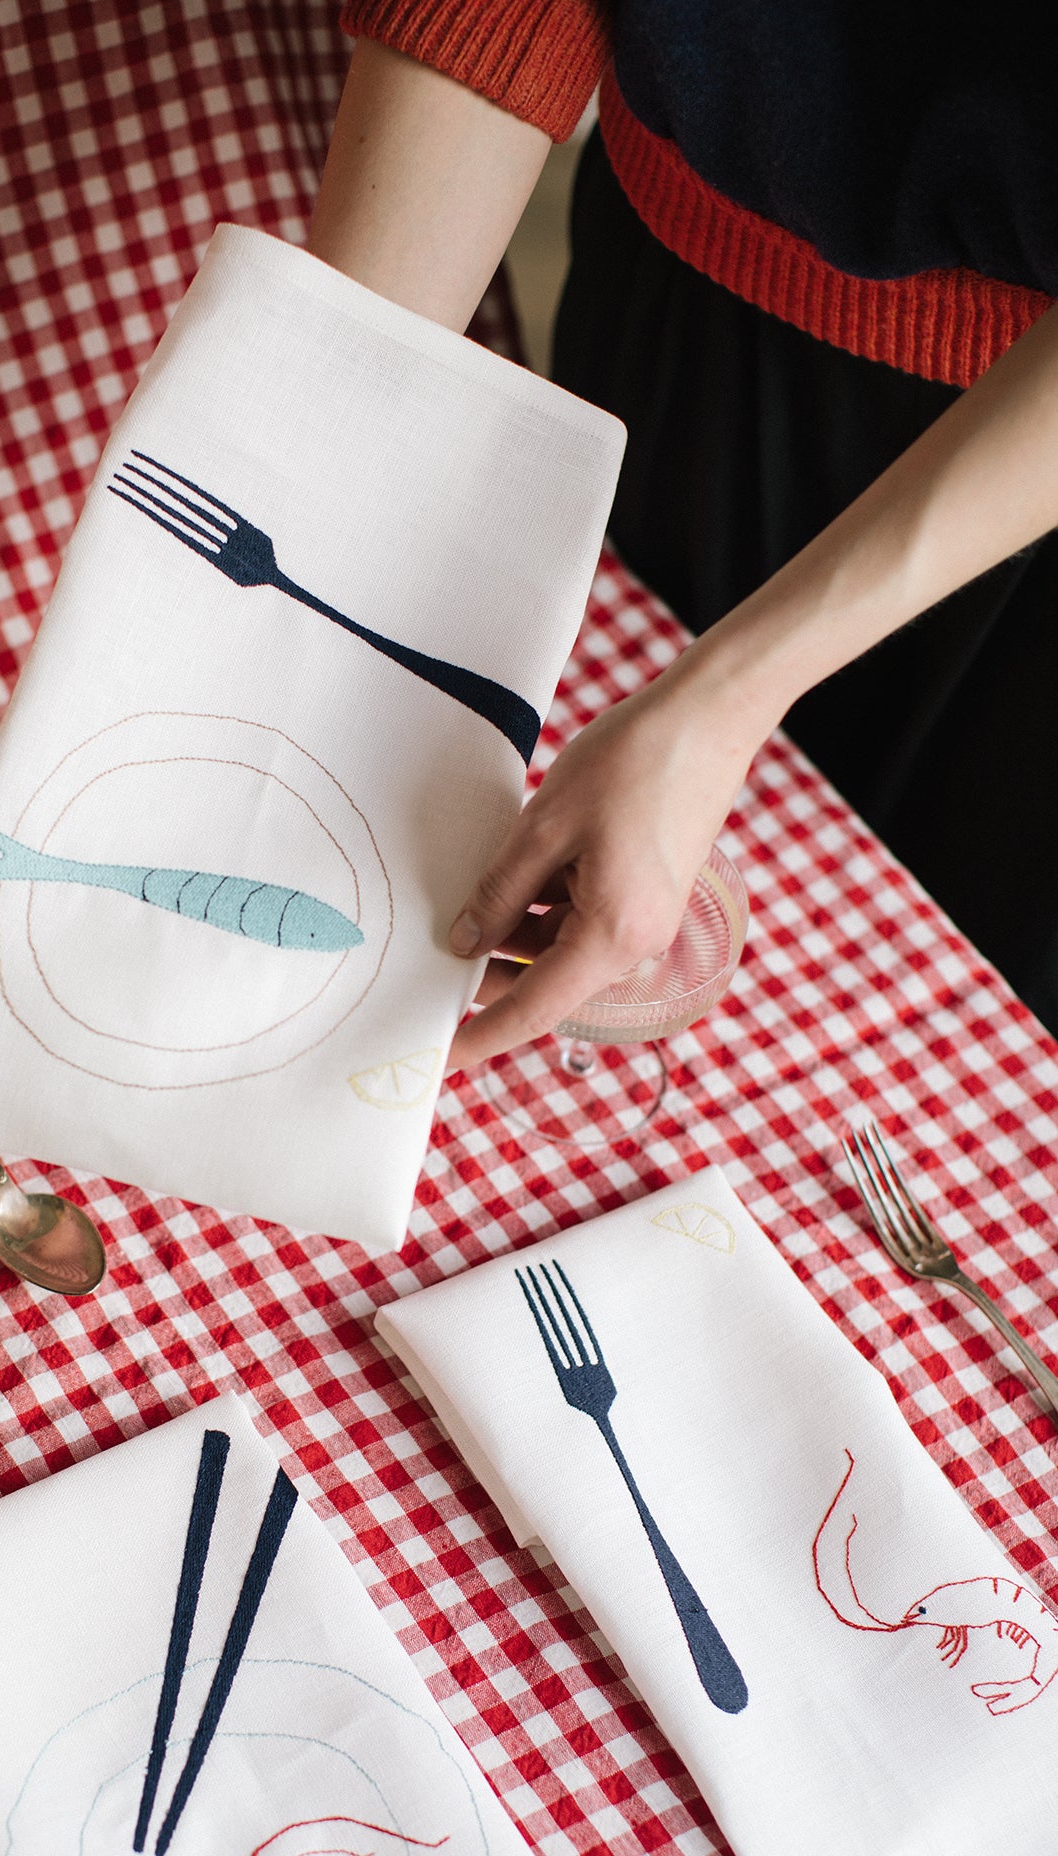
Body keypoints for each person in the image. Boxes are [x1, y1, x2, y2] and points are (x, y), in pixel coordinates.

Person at [305, 7, 1058, 1067]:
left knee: (962, 1038)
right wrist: (329, 451)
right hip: (675, 291)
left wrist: (725, 698)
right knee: (584, 878)